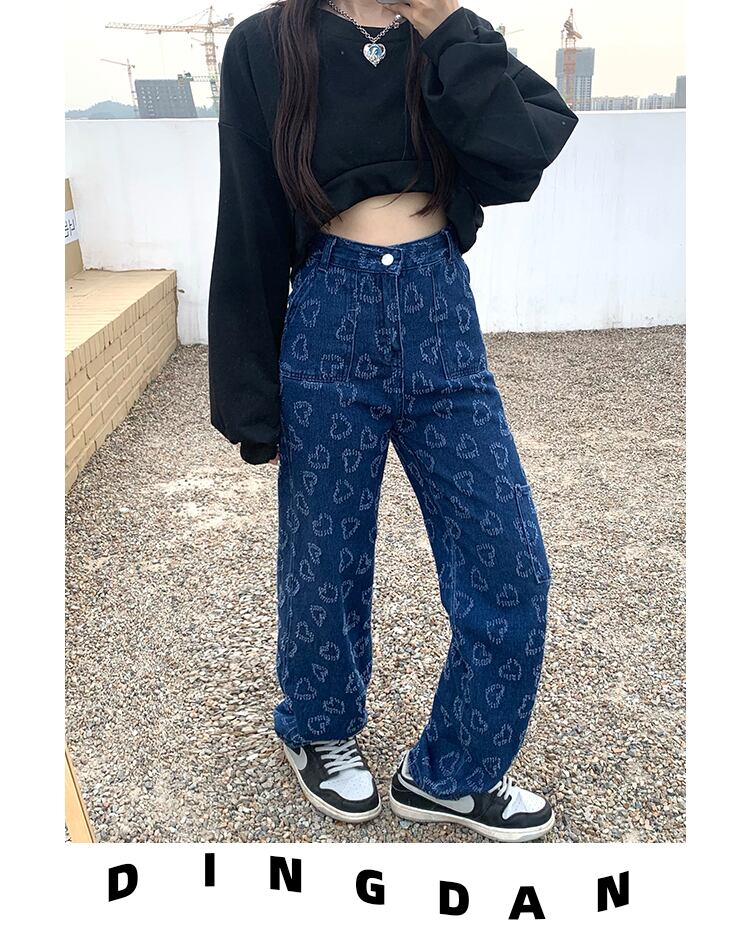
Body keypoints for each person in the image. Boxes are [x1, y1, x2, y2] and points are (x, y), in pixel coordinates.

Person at [207, 0, 578, 843]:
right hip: (329, 309)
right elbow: (250, 212)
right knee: (323, 554)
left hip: (439, 305)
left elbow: (521, 151)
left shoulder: (447, 35)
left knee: (510, 558)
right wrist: (248, 396)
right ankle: (319, 726)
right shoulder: (267, 43)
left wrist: (445, 28)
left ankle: (452, 771)